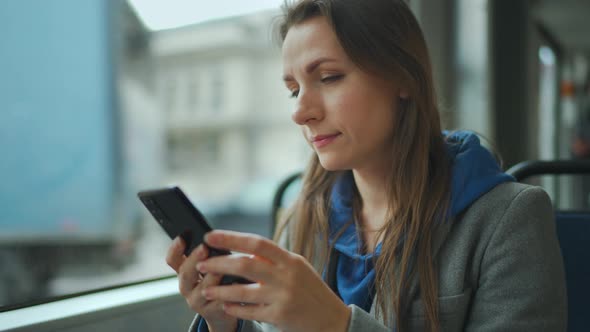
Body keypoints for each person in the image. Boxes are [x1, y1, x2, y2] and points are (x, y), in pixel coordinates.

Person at [166, 0, 567, 331]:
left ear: (404, 78)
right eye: (293, 91)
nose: (301, 112)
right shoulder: (303, 217)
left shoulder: (509, 219)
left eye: (329, 77)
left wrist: (338, 325)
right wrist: (226, 323)